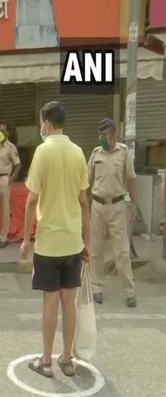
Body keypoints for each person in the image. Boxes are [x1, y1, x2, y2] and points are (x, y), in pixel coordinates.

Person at [21, 101, 90, 378]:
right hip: (73, 241)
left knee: (50, 301)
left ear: (47, 123)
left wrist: (26, 240)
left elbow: (31, 200)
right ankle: (68, 359)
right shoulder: (77, 153)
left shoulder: (42, 152)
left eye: (41, 123)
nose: (41, 127)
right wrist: (88, 242)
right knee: (68, 301)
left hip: (49, 242)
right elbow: (84, 202)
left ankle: (46, 361)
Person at [87, 118, 138, 307]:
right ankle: (96, 287)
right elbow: (86, 182)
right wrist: (83, 206)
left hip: (117, 206)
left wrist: (134, 205)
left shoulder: (123, 153)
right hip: (98, 206)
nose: (102, 138)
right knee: (96, 251)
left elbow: (131, 180)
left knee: (122, 251)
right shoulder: (95, 153)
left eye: (105, 135)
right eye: (100, 135)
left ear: (114, 134)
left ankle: (129, 291)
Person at [0, 122, 21, 248]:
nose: (0, 133)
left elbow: (18, 165)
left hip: (4, 179)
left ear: (7, 133)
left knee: (5, 210)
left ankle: (3, 237)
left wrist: (11, 179)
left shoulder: (11, 148)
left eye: (3, 131)